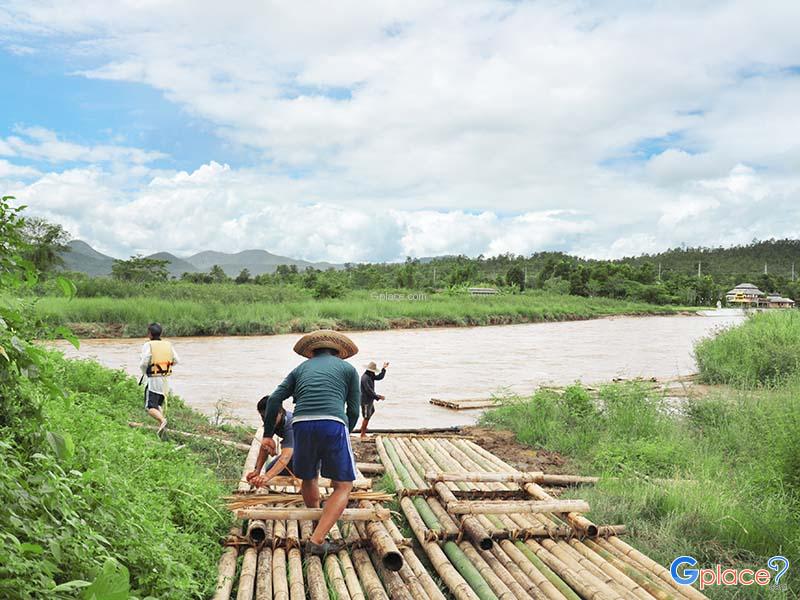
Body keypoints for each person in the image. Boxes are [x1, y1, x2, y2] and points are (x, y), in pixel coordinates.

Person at [256, 329, 360, 556]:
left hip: (300, 424)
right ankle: (318, 538)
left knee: (309, 476)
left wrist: (267, 434)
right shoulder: (349, 370)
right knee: (343, 485)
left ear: (311, 353)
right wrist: (345, 432)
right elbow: (353, 410)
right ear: (339, 354)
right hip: (333, 423)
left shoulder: (300, 369)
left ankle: (316, 520)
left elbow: (274, 399)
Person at [245, 395, 295, 487]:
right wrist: (257, 470)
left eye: (270, 417)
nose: (267, 420)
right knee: (269, 470)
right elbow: (265, 446)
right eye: (263, 417)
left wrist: (266, 477)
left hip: (311, 456)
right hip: (294, 452)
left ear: (280, 412)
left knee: (305, 480)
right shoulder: (272, 422)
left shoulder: (291, 425)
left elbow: (285, 457)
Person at [140, 322, 178, 436]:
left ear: (150, 334)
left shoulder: (148, 345)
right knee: (158, 405)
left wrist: (145, 372)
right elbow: (176, 360)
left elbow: (144, 362)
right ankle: (162, 426)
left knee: (150, 407)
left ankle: (162, 421)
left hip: (153, 379)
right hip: (165, 380)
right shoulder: (168, 345)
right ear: (161, 333)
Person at [359, 361, 389, 439]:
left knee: (371, 412)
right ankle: (362, 434)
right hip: (365, 400)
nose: (374, 373)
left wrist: (384, 368)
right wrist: (378, 396)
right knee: (366, 416)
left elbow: (379, 377)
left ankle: (363, 427)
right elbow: (368, 390)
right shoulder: (365, 378)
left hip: (370, 399)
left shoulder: (370, 375)